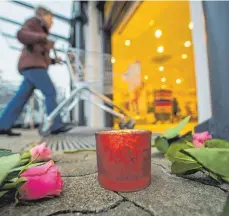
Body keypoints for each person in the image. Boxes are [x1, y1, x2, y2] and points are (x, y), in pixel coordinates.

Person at [0, 6, 72, 136]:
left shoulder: (42, 31)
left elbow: (41, 55)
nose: (52, 22)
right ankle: (55, 124)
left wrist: (54, 61)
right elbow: (21, 34)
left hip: (33, 66)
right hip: (33, 67)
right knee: (50, 92)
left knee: (20, 98)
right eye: (51, 18)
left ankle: (3, 125)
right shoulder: (34, 22)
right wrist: (43, 37)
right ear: (43, 15)